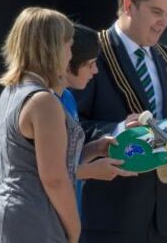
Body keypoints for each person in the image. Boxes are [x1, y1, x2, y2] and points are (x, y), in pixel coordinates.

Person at [72, 0, 167, 243]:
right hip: (108, 215)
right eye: (155, 11)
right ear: (128, 5)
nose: (163, 22)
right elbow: (70, 125)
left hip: (162, 215)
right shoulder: (92, 54)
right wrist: (117, 129)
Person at [0, 7, 81, 243]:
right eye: (68, 44)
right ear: (52, 47)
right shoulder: (43, 101)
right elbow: (54, 178)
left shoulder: (10, 92)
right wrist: (74, 230)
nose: (70, 53)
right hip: (32, 219)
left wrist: (95, 149)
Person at [58, 24, 137, 217]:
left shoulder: (67, 97)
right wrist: (90, 171)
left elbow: (65, 161)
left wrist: (95, 149)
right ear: (69, 62)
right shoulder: (42, 100)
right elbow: (43, 171)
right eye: (90, 64)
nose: (95, 71)